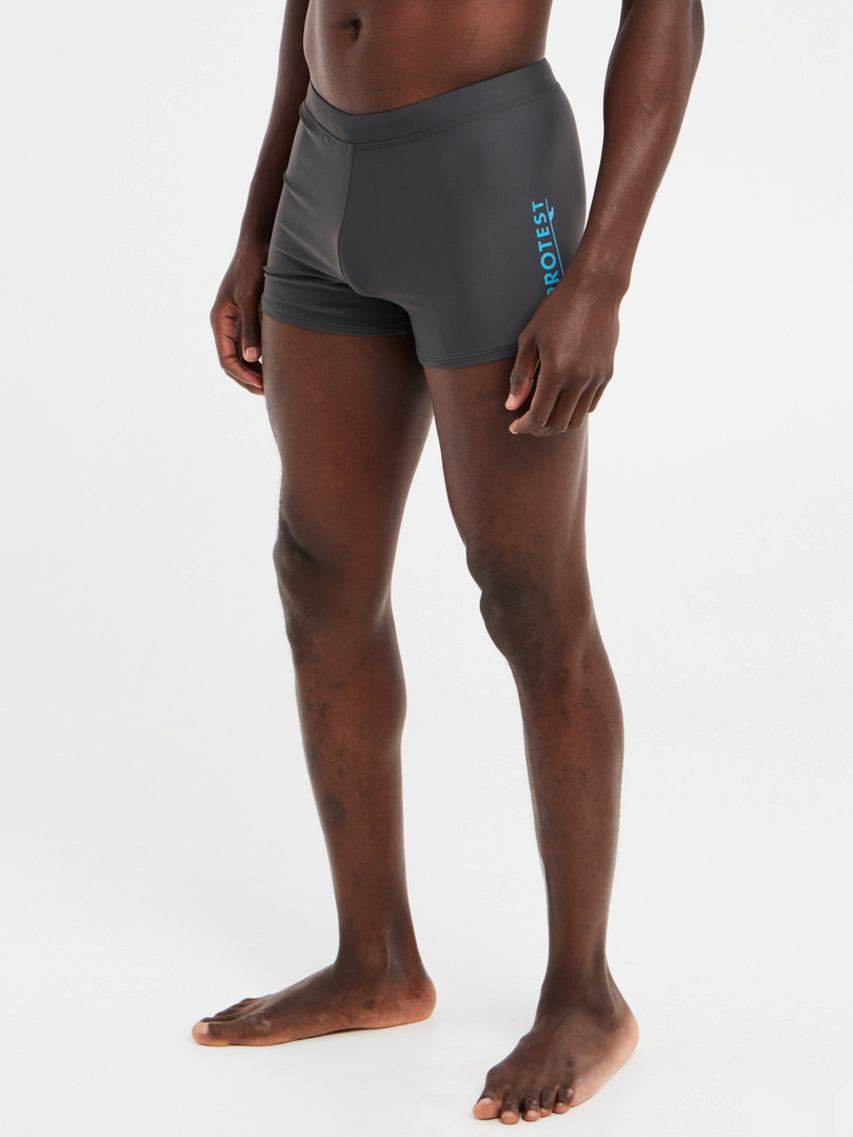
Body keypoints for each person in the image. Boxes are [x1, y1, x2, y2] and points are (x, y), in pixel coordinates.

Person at [191, 0, 704, 1124]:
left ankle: (585, 997)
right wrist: (260, 217)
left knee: (529, 599)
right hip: (323, 171)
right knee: (318, 573)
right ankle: (373, 959)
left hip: (488, 179)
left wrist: (600, 278)